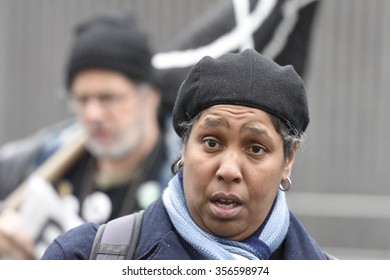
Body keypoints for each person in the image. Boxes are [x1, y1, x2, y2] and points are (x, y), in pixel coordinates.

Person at [42, 49, 330, 260]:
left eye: (256, 148)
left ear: (287, 160)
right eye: (211, 143)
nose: (229, 170)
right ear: (183, 146)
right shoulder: (82, 258)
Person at [0, 12, 171, 259]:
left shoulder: (182, 178)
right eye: (81, 99)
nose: (92, 114)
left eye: (108, 98)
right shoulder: (48, 156)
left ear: (151, 97)